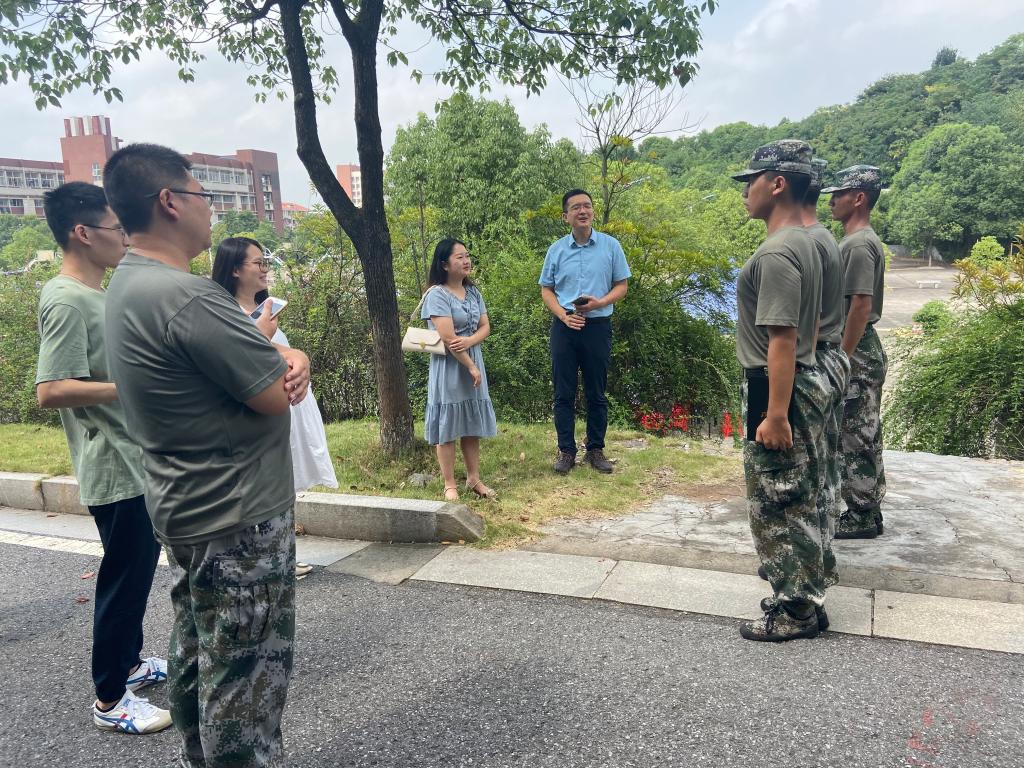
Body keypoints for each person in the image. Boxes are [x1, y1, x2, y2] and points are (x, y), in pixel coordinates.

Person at [102, 143, 310, 768]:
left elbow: (253, 366)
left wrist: (286, 357)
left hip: (186, 504)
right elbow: (273, 393)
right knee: (244, 679)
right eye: (203, 195)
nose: (210, 208)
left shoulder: (127, 283)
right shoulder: (189, 296)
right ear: (169, 201)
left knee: (200, 654)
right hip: (237, 515)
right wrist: (291, 361)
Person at [36, 181, 171, 734]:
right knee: (124, 581)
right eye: (117, 229)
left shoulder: (97, 293)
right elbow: (51, 388)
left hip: (134, 458)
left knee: (137, 574)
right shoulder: (66, 298)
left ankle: (131, 665)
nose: (125, 238)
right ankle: (110, 698)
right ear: (83, 233)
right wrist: (128, 387)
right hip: (115, 466)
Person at [730, 140, 831, 642]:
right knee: (801, 493)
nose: (744, 191)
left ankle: (795, 610)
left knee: (777, 499)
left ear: (777, 184)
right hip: (796, 380)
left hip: (775, 386)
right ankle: (807, 597)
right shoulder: (809, 241)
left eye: (750, 181)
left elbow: (782, 338)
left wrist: (774, 414)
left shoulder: (777, 252)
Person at [212, 236, 338, 578]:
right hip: (259, 412)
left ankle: (281, 554)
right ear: (235, 269)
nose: (265, 269)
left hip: (288, 404)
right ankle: (269, 560)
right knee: (266, 485)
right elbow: (241, 360)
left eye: (265, 262)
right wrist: (262, 335)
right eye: (258, 263)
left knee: (284, 482)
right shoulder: (223, 313)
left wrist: (300, 359)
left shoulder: (265, 310)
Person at [539, 189, 631, 475]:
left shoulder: (610, 246)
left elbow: (622, 285)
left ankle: (595, 450)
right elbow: (546, 289)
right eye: (576, 207)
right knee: (563, 392)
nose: (583, 211)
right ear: (565, 216)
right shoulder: (556, 250)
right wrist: (563, 316)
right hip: (564, 327)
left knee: (596, 392)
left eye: (587, 206)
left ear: (592, 211)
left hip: (597, 326)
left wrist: (599, 303)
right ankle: (566, 451)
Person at [823, 165, 888, 539]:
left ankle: (862, 514)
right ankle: (869, 509)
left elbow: (860, 306)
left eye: (839, 194)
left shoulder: (859, 244)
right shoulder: (857, 241)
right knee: (864, 430)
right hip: (860, 347)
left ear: (859, 198)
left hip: (857, 349)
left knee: (854, 434)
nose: (832, 201)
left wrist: (842, 358)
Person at [799, 157, 851, 597]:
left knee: (804, 475)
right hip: (826, 357)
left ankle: (805, 568)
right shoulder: (822, 237)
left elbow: (804, 320)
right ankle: (816, 559)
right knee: (821, 469)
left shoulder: (811, 242)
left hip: (813, 360)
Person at [420, 238, 498, 500]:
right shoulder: (436, 295)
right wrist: (471, 366)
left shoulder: (473, 292)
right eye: (460, 257)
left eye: (467, 255)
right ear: (444, 264)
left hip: (472, 357)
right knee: (447, 426)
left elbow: (485, 327)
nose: (466, 261)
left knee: (471, 424)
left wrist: (470, 342)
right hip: (450, 366)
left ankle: (474, 478)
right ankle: (449, 483)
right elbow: (448, 338)